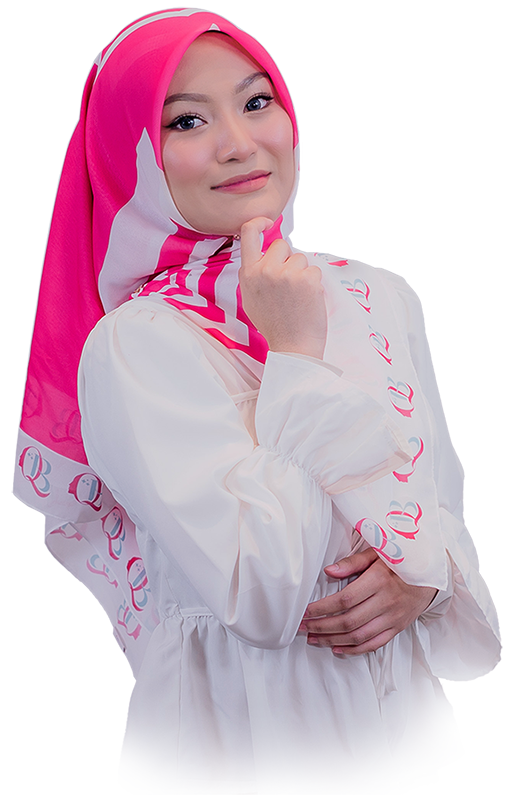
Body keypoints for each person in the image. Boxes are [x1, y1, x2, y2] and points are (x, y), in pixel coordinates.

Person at [12, 7, 501, 795]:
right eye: (186, 120)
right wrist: (295, 351)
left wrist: (424, 576)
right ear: (129, 156)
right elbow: (263, 591)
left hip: (384, 744)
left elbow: (440, 501)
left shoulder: (378, 296)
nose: (239, 142)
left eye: (256, 101)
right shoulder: (137, 344)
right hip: (230, 756)